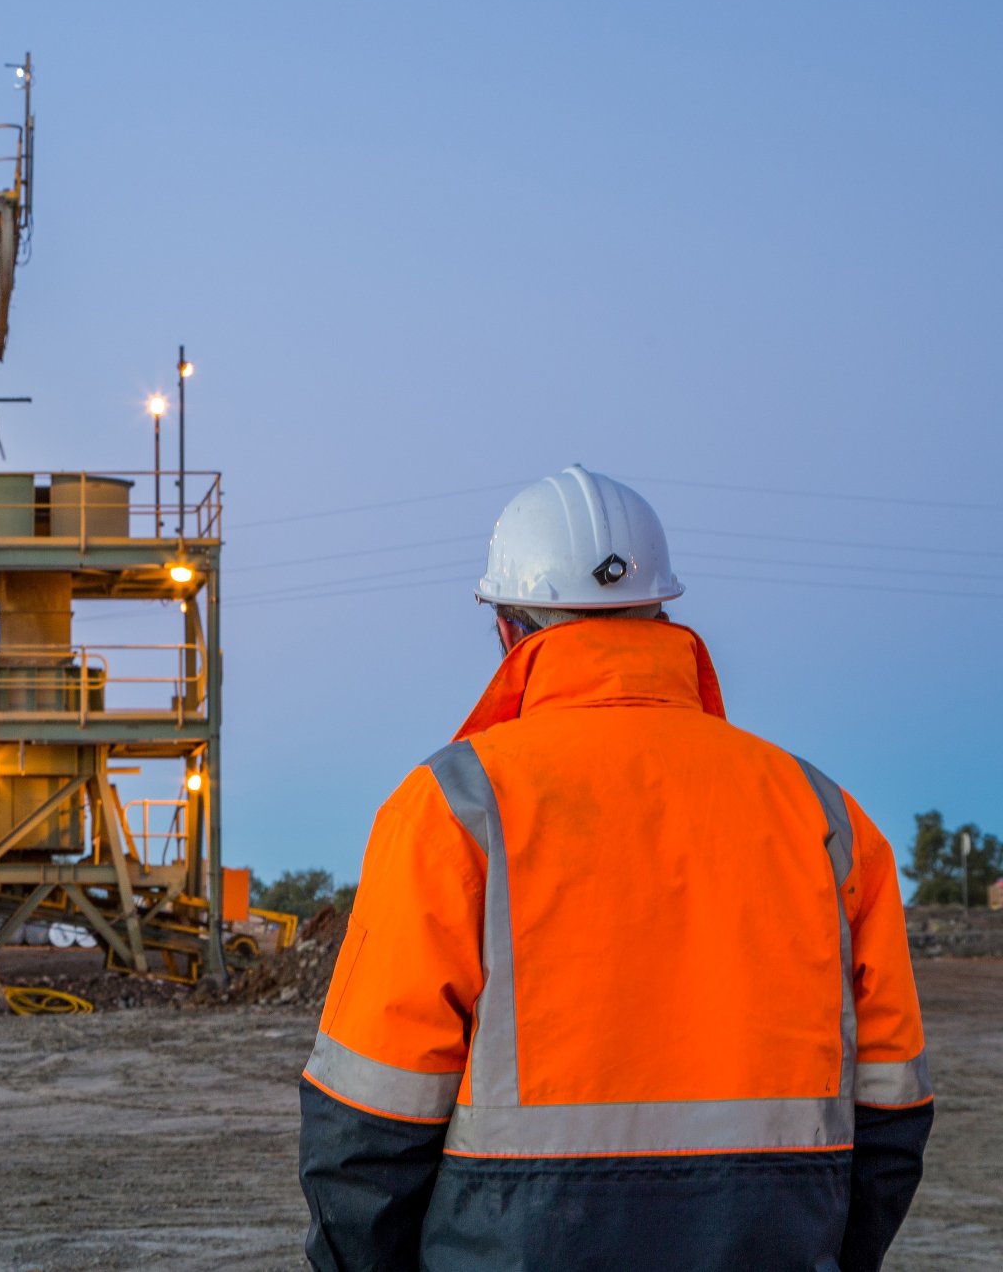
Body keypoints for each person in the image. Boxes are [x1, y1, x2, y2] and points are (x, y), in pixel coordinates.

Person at [298, 465, 933, 1271]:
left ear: (505, 630)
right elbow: (892, 1117)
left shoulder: (453, 808)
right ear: (661, 614)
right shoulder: (823, 816)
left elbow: (364, 1132)